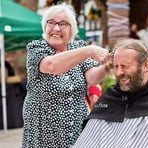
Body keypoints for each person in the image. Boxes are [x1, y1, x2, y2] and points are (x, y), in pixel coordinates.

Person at [73, 39, 148, 148]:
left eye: (125, 66)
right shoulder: (110, 98)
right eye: (116, 66)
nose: (119, 72)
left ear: (145, 65)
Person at [22, 4, 109, 148]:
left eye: (62, 24)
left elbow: (92, 78)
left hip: (76, 127)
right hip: (44, 132)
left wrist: (108, 65)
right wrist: (89, 50)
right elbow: (51, 66)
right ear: (45, 26)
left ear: (71, 29)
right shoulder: (36, 48)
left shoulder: (78, 47)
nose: (56, 28)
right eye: (51, 22)